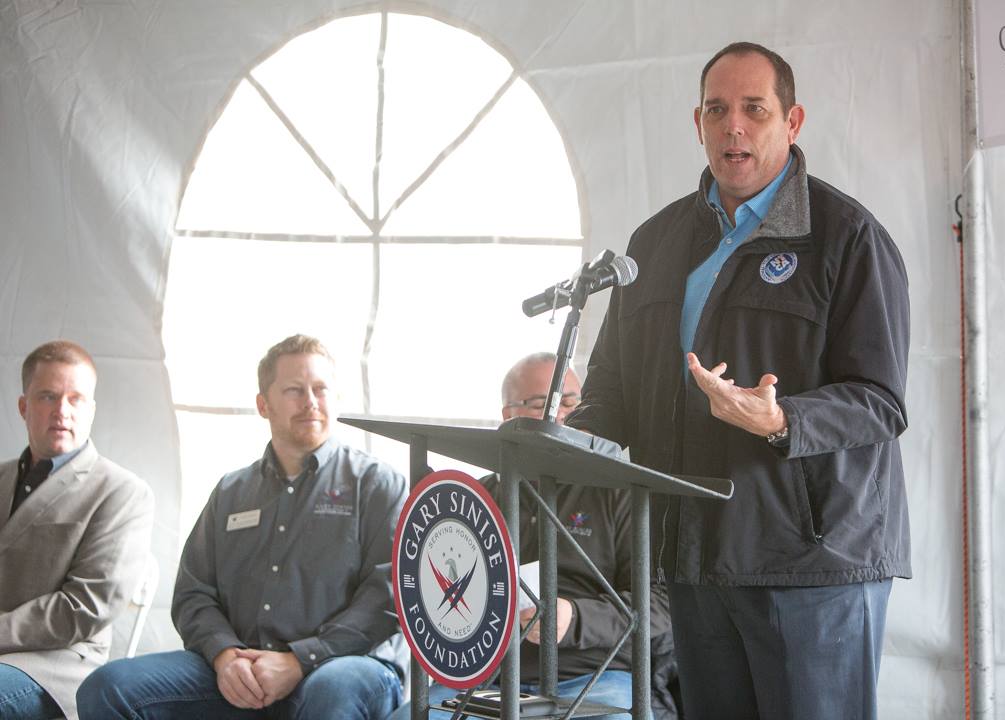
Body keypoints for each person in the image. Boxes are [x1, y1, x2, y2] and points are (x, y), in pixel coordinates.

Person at [564, 42, 911, 720]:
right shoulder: (653, 244)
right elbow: (612, 390)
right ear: (698, 123)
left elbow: (881, 400)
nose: (735, 127)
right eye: (717, 110)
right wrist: (551, 439)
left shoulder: (848, 239)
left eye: (755, 109)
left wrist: (782, 422)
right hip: (693, 561)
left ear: (793, 121)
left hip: (813, 568)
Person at [78, 334, 408, 719]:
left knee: (331, 691)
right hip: (241, 667)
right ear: (262, 405)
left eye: (321, 388)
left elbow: (387, 600)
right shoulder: (232, 492)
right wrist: (223, 655)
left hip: (344, 664)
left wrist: (300, 660)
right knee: (108, 688)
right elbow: (193, 592)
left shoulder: (377, 485)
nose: (311, 401)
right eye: (294, 390)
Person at [419, 353, 675, 720]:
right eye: (543, 404)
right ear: (508, 416)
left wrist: (574, 619)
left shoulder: (622, 494)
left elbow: (663, 606)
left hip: (594, 675)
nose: (562, 415)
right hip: (484, 679)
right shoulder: (474, 499)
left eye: (571, 401)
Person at [0, 340, 154, 720]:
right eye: (48, 396)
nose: (62, 411)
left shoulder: (122, 492)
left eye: (76, 399)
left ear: (92, 409)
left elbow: (85, 607)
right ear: (23, 407)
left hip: (57, 664)